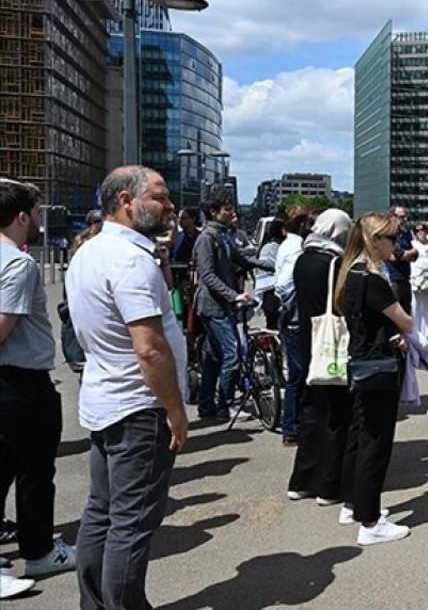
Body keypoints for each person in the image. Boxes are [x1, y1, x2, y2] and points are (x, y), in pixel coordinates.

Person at [68, 166, 187, 609]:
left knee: (102, 512)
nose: (169, 206)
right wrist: (174, 409)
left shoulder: (92, 251)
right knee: (131, 524)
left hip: (109, 398)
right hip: (139, 406)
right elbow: (149, 348)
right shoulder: (130, 259)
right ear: (126, 201)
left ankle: (95, 603)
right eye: (159, 196)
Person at [0, 179, 75, 579]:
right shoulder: (18, 263)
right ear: (21, 217)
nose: (39, 221)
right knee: (35, 472)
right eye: (35, 213)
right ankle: (40, 551)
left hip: (13, 382)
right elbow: (3, 326)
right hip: (21, 383)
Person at [335, 213, 414, 545]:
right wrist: (397, 331)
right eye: (392, 238)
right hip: (378, 365)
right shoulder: (372, 279)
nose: (396, 243)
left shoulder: (351, 273)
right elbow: (406, 320)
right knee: (375, 442)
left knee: (359, 435)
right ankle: (369, 521)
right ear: (375, 240)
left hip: (362, 359)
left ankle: (354, 503)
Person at [285, 209, 354, 504]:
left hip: (308, 340)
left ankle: (302, 480)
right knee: (336, 414)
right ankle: (328, 485)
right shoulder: (334, 263)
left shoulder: (303, 259)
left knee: (311, 412)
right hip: (332, 344)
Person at [192, 192, 269, 420]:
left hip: (222, 304)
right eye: (227, 210)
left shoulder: (222, 235)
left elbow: (242, 260)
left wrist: (272, 265)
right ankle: (225, 406)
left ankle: (206, 405)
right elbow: (207, 275)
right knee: (232, 353)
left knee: (214, 356)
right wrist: (234, 295)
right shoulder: (206, 238)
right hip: (213, 305)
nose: (232, 213)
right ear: (214, 212)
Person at [274, 204, 314, 447]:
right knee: (298, 373)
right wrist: (296, 297)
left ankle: (294, 425)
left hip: (291, 315)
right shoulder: (296, 248)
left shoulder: (289, 245)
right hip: (294, 316)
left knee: (298, 373)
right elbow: (283, 284)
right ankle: (291, 427)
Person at [408, 222, 428, 348]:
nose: (420, 232)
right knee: (415, 310)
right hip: (414, 281)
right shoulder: (412, 244)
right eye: (417, 230)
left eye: (423, 229)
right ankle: (416, 339)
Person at [384, 206, 418, 313]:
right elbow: (396, 256)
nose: (405, 220)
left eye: (405, 217)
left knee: (406, 313)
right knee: (394, 313)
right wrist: (408, 253)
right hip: (392, 279)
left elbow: (415, 254)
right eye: (402, 217)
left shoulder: (407, 233)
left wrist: (407, 254)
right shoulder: (387, 233)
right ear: (392, 216)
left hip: (406, 278)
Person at [255, 217, 285, 329]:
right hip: (271, 294)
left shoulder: (285, 245)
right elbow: (265, 270)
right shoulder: (269, 247)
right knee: (273, 327)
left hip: (283, 295)